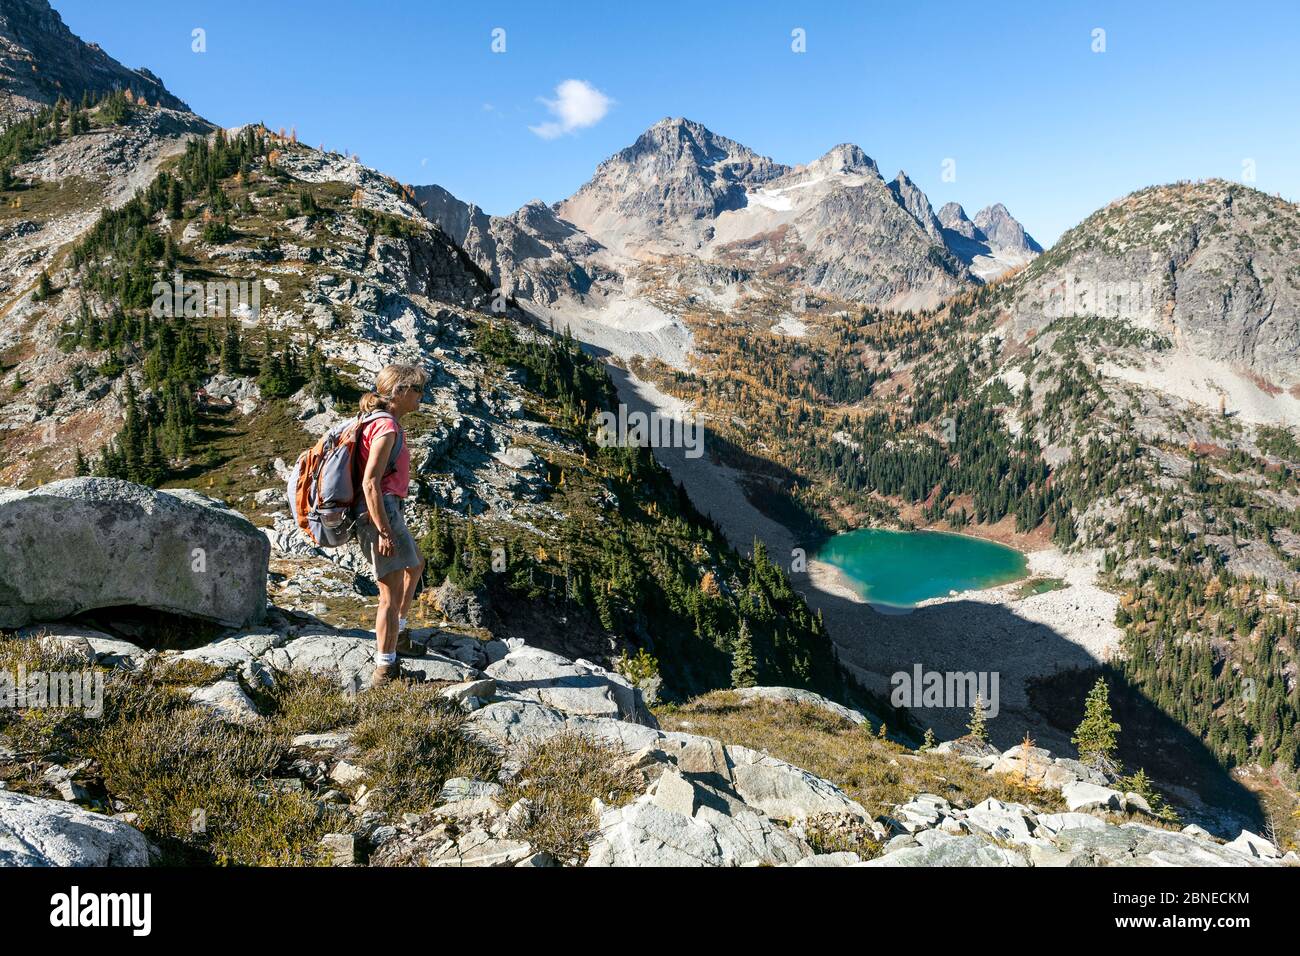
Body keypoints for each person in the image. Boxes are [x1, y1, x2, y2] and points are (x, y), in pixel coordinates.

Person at [354, 363, 428, 687]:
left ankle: (397, 636)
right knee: (390, 592)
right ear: (399, 391)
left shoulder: (382, 422)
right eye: (417, 390)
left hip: (388, 509)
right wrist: (383, 530)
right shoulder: (385, 428)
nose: (421, 397)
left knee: (416, 565)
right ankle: (385, 671)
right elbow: (370, 483)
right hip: (380, 511)